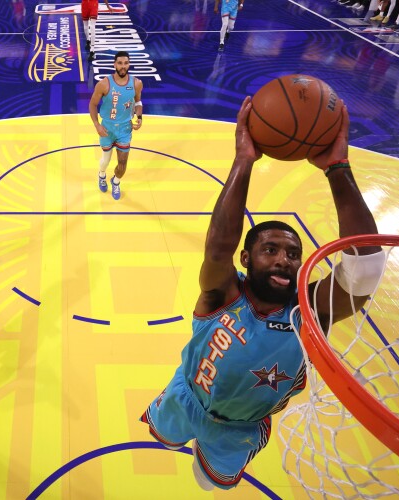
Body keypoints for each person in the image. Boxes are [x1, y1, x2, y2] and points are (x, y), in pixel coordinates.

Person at [140, 97, 385, 490]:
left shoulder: (310, 310)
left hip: (239, 428)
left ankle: (208, 457)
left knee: (208, 484)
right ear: (246, 258)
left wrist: (338, 168)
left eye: (293, 253)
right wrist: (244, 160)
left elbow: (365, 271)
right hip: (186, 396)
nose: (283, 260)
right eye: (270, 250)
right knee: (166, 440)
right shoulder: (223, 293)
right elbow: (217, 250)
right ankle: (181, 435)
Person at [89, 51, 143, 200]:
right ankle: (102, 175)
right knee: (105, 161)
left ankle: (116, 181)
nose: (123, 66)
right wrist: (97, 125)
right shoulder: (104, 84)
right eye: (120, 63)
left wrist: (139, 117)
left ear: (129, 64)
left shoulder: (136, 83)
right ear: (114, 64)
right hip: (107, 128)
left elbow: (138, 101)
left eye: (126, 63)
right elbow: (92, 105)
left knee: (123, 164)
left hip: (125, 129)